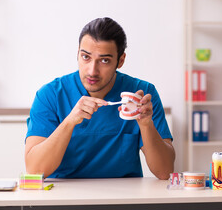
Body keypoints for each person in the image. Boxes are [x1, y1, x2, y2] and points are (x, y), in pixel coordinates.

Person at [25, 17, 175, 180]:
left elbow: (165, 171)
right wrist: (69, 122)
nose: (92, 71)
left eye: (104, 60)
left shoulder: (142, 94)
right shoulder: (50, 95)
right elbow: (34, 171)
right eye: (86, 57)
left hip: (124, 199)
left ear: (121, 60)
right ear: (77, 53)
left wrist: (146, 125)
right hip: (64, 198)